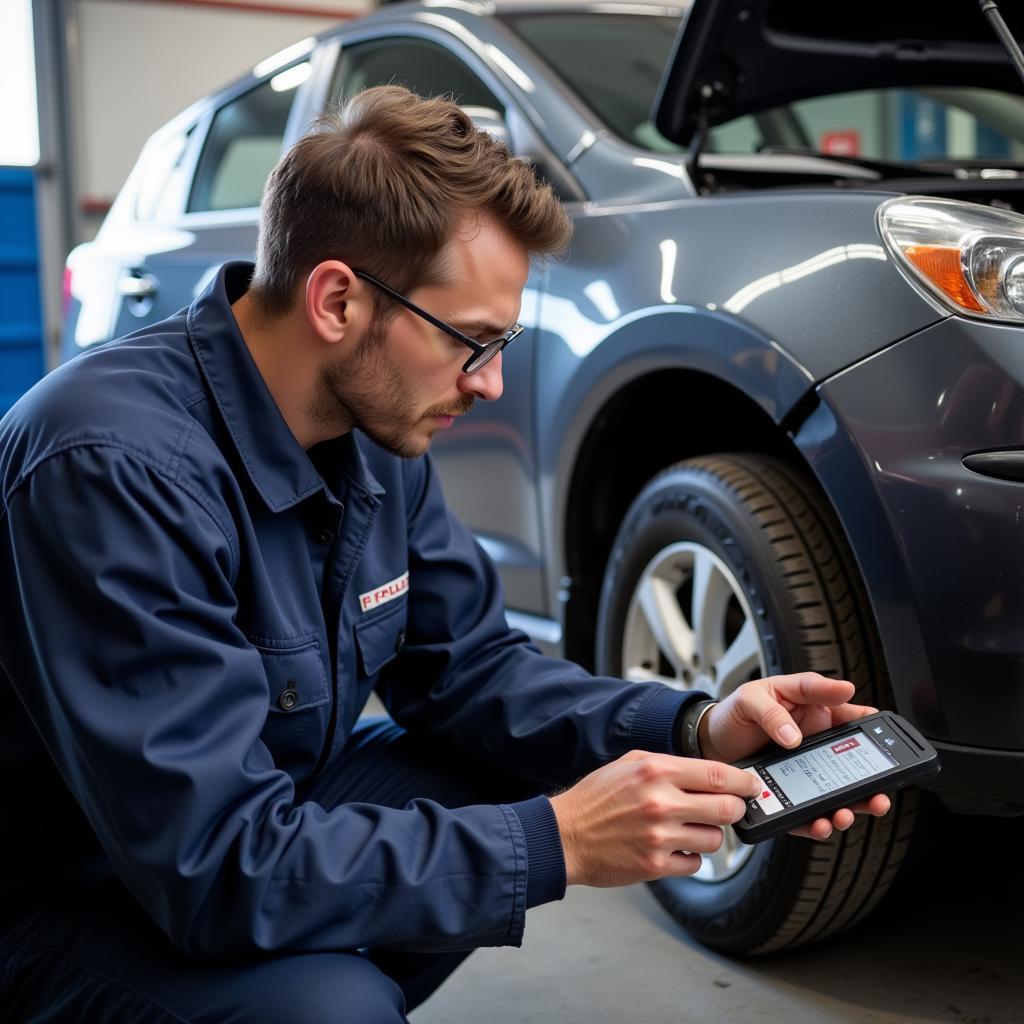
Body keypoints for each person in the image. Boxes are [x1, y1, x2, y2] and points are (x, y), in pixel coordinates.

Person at [0, 86, 889, 1022]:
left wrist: (697, 728)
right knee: (327, 1008)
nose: (493, 382)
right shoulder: (110, 465)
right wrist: (560, 842)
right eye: (471, 340)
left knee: (509, 766)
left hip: (239, 817)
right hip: (66, 887)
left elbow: (474, 671)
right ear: (337, 298)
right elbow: (218, 864)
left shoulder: (369, 438)